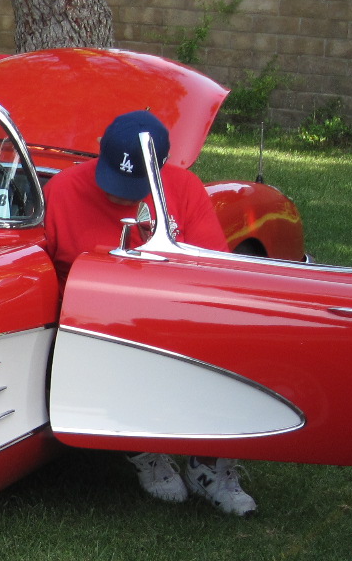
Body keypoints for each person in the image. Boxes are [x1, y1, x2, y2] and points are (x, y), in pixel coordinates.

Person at [41, 110, 254, 515]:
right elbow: (39, 268)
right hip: (90, 329)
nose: (121, 197)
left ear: (160, 169)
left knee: (232, 333)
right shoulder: (62, 191)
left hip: (169, 318)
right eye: (113, 182)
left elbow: (215, 271)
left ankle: (209, 463)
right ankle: (145, 450)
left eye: (134, 186)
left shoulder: (184, 189)